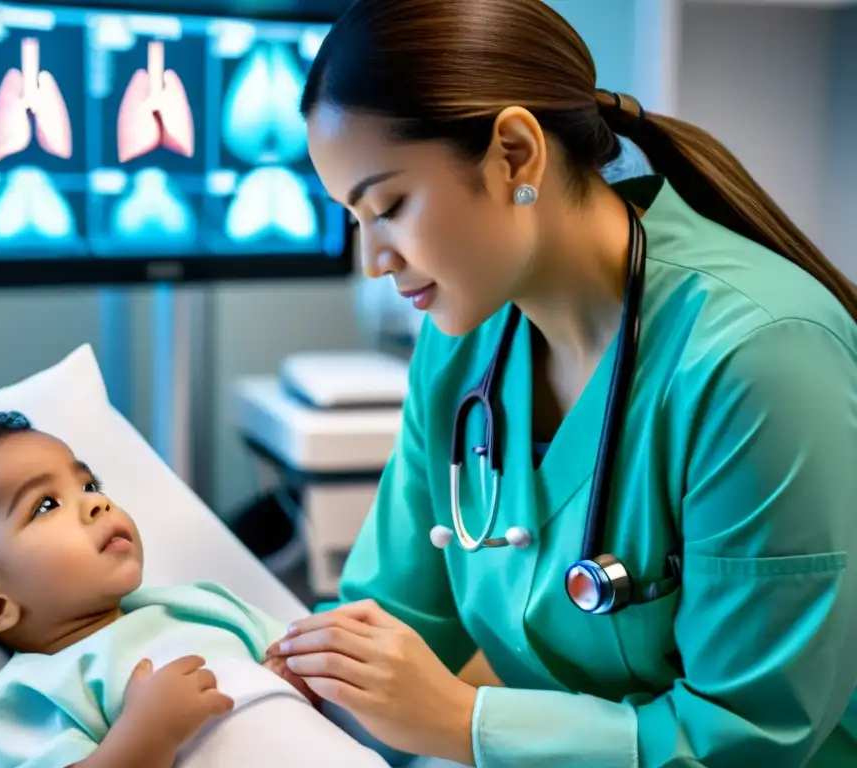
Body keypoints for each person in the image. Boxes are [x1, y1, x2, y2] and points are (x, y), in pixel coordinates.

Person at [264, 1, 857, 766]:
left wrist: (464, 723)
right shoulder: (463, 345)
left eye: (390, 207)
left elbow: (748, 740)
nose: (374, 258)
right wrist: (279, 681)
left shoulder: (761, 359)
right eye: (354, 218)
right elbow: (393, 617)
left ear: (514, 152)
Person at [0, 412, 388, 768]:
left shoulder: (200, 603)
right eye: (44, 506)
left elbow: (304, 668)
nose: (96, 505)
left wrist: (295, 678)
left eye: (88, 486)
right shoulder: (35, 690)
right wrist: (146, 734)